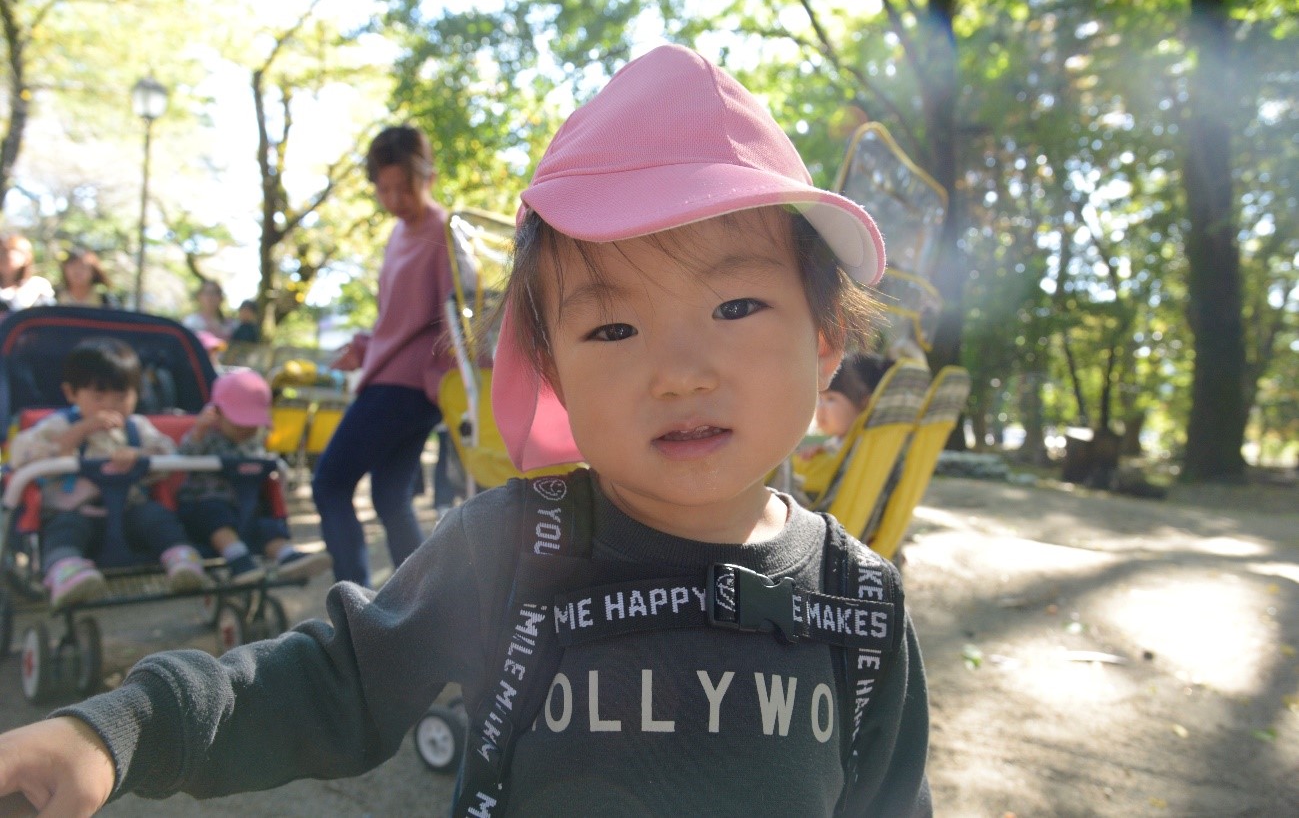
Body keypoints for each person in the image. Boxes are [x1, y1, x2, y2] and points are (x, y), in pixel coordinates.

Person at [0, 45, 930, 817]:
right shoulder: (515, 549)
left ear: (823, 342)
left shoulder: (863, 608)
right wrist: (120, 728)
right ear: (556, 370)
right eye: (612, 326)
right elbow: (329, 681)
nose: (678, 370)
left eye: (734, 304)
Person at [311, 124, 458, 587]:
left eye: (404, 187)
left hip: (405, 388)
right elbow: (393, 318)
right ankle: (418, 604)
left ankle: (351, 604)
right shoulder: (397, 234)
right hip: (388, 377)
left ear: (427, 177)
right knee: (390, 496)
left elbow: (455, 316)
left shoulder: (443, 229)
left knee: (330, 484)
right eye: (385, 189)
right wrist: (362, 347)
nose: (395, 199)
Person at [6, 337, 211, 609]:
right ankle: (67, 572)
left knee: (157, 517)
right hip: (76, 511)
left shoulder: (137, 427)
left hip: (129, 510)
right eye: (99, 396)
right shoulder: (59, 424)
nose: (111, 405)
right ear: (71, 394)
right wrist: (75, 436)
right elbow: (20, 453)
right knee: (64, 530)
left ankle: (182, 559)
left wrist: (139, 456)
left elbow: (168, 453)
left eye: (121, 396)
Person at [176, 368, 332, 584]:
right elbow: (181, 458)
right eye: (239, 425)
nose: (245, 431)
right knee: (216, 516)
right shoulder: (208, 436)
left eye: (251, 426)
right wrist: (198, 432)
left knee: (267, 523)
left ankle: (287, 557)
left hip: (245, 507)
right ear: (217, 413)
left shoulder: (254, 442)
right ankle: (238, 560)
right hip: (203, 504)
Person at [793, 352, 894, 501]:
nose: (820, 407)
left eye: (831, 399)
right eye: (819, 398)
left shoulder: (863, 448)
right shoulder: (842, 443)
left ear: (864, 403)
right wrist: (824, 450)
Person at [0, 231, 55, 311]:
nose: (1, 256)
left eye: (5, 251)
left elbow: (49, 316)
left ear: (26, 257)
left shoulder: (37, 285)